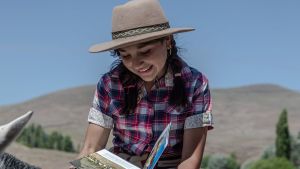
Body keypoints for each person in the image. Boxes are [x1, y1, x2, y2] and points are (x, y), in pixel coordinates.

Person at [71, 0, 213, 168]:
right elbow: (91, 148)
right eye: (126, 56)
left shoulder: (195, 84)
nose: (136, 63)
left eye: (145, 51)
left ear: (167, 41)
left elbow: (190, 160)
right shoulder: (109, 85)